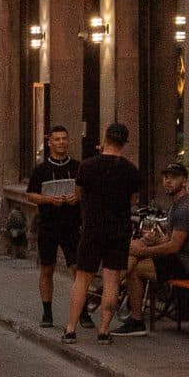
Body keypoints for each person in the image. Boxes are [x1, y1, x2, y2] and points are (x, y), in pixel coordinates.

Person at [62, 122, 142, 345]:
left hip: (92, 227)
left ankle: (70, 328)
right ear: (124, 144)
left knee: (82, 278)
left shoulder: (87, 166)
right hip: (118, 228)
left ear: (105, 139)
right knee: (111, 278)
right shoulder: (131, 170)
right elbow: (132, 200)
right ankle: (104, 330)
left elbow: (78, 193)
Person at [113, 162, 189, 336]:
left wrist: (143, 251)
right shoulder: (176, 205)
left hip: (188, 264)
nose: (168, 181)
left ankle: (134, 317)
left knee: (136, 268)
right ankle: (116, 284)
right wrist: (154, 240)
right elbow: (170, 239)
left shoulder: (185, 208)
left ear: (185, 181)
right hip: (179, 258)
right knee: (137, 247)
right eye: (166, 178)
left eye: (174, 178)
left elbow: (174, 246)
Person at [25, 125, 83, 328]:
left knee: (78, 269)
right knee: (47, 268)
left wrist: (76, 197)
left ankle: (82, 311)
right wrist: (49, 200)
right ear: (50, 143)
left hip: (71, 225)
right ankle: (47, 312)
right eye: (57, 139)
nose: (61, 143)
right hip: (48, 224)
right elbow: (31, 194)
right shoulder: (41, 170)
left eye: (64, 139)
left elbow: (85, 191)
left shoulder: (77, 167)